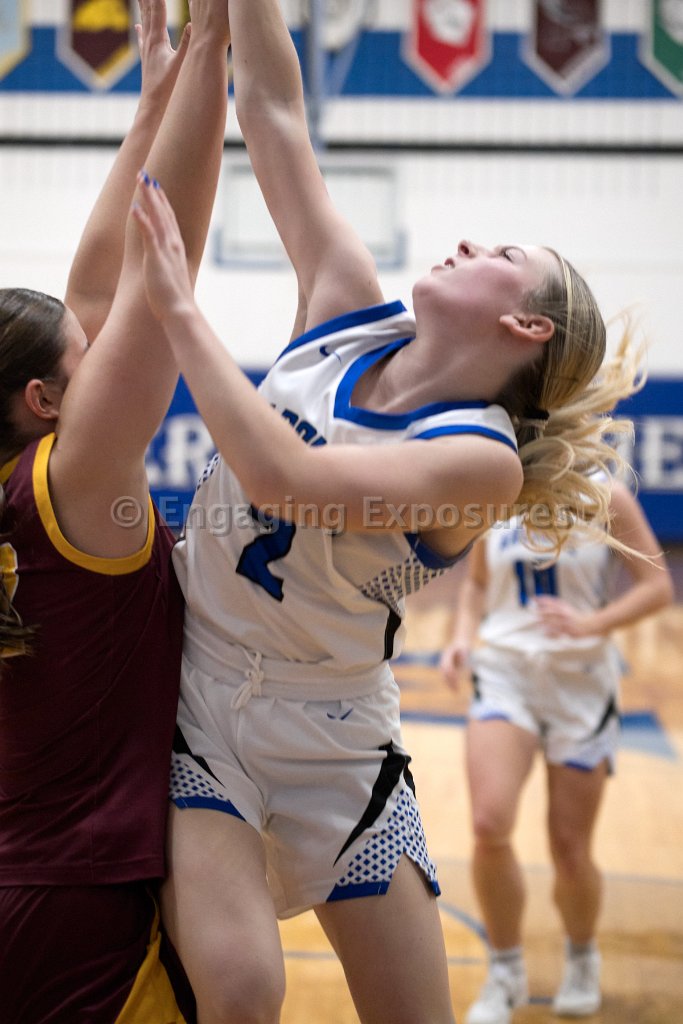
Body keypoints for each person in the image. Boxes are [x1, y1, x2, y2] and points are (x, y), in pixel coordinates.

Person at [133, 3, 642, 1022]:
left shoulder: (479, 462)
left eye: (498, 252)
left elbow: (283, 480)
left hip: (336, 740)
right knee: (241, 992)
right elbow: (274, 111)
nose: (465, 241)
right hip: (202, 701)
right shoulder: (344, 306)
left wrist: (179, 311)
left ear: (524, 323)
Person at [0, 1, 230, 1020]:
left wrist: (152, 103)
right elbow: (147, 278)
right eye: (85, 360)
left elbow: (93, 292)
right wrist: (214, 49)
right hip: (74, 899)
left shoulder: (25, 479)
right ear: (45, 403)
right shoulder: (72, 489)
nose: (100, 351)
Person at [439, 482, 674, 1024]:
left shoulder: (607, 495)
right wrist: (461, 637)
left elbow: (658, 586)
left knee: (570, 849)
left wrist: (592, 623)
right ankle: (505, 972)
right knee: (488, 823)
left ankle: (582, 956)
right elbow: (476, 585)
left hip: (581, 682)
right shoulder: (499, 483)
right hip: (505, 673)